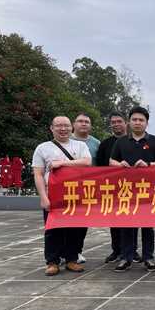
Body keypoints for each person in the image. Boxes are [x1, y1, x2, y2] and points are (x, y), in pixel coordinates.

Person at [110, 106, 155, 272]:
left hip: (148, 190)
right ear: (129, 122)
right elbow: (111, 161)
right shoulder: (121, 141)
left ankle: (148, 257)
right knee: (127, 225)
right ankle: (126, 257)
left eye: (141, 120)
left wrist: (148, 164)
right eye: (134, 119)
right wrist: (119, 164)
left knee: (147, 226)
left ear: (146, 123)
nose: (137, 122)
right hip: (126, 191)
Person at [33, 116, 91, 276]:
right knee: (53, 229)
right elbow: (38, 174)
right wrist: (43, 197)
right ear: (52, 128)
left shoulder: (80, 145)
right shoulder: (42, 148)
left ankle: (72, 259)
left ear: (71, 127)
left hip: (75, 195)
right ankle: (52, 262)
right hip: (53, 195)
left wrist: (62, 163)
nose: (63, 129)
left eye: (66, 125)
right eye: (58, 126)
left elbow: (86, 162)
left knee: (75, 229)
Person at [95, 112, 139, 263]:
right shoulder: (105, 144)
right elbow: (99, 167)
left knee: (133, 221)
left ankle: (133, 250)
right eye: (113, 122)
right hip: (112, 189)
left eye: (119, 121)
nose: (116, 124)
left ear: (126, 123)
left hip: (133, 188)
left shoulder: (134, 141)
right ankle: (116, 250)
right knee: (114, 221)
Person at [71, 112, 101, 264]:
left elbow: (101, 166)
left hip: (87, 189)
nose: (83, 124)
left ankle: (77, 251)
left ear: (90, 126)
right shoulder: (64, 140)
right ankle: (60, 252)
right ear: (73, 124)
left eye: (86, 122)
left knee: (82, 222)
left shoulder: (96, 143)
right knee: (64, 221)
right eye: (80, 121)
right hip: (66, 188)